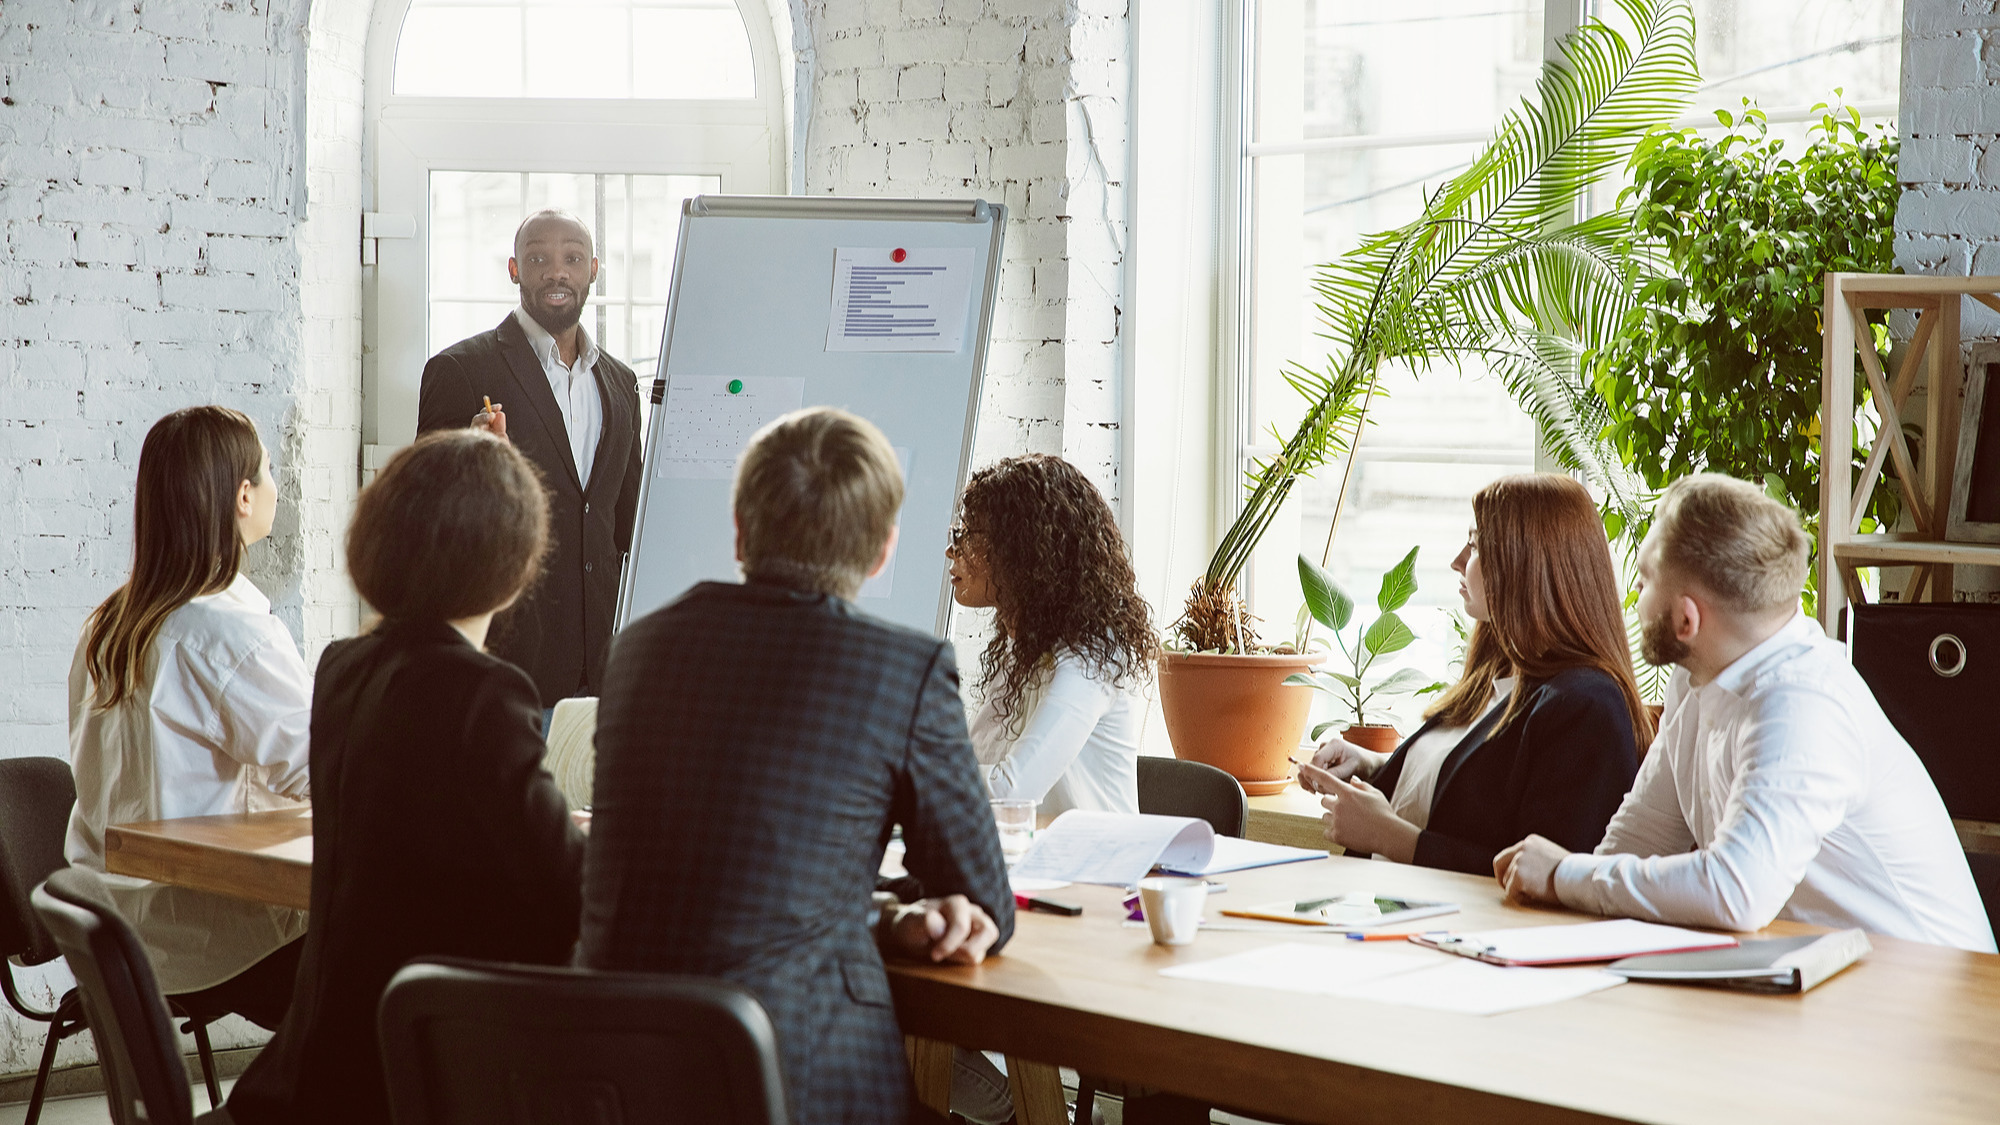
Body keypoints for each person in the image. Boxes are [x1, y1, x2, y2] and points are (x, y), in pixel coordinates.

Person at [580, 406, 1013, 1125]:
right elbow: (983, 899)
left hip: (615, 1079)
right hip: (797, 1079)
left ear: (742, 531)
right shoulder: (904, 668)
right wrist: (891, 913)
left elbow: (713, 883)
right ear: (882, 551)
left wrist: (870, 914)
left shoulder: (638, 649)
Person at [228, 430, 586, 1124]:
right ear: (514, 566)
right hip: (410, 1082)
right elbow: (565, 891)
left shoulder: (343, 667)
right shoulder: (481, 690)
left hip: (315, 1068)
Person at [1495, 474, 1996, 953]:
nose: (1635, 597)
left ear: (1686, 618)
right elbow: (1643, 840)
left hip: (1931, 1010)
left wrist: (1564, 875)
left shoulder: (1803, 704)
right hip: (1818, 986)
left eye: (1646, 581)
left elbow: (1737, 892)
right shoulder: (1699, 676)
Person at [65, 406, 309, 1026]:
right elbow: (322, 769)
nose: (277, 486)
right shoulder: (230, 634)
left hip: (111, 930)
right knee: (403, 956)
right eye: (270, 471)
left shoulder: (108, 624)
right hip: (208, 938)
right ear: (243, 497)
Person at [1299, 473, 1650, 875]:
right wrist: (1375, 766)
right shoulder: (1498, 678)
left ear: (1526, 565)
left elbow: (1552, 879)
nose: (1458, 562)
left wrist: (1389, 835)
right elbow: (1471, 797)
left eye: (1475, 544)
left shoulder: (1589, 707)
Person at [417, 209, 643, 723]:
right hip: (507, 659)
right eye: (538, 258)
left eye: (572, 259)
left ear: (594, 270)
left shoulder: (621, 383)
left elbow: (625, 524)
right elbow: (423, 519)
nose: (556, 271)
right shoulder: (460, 370)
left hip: (605, 670)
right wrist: (471, 458)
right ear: (515, 269)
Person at [949, 454, 1158, 817]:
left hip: (1095, 870)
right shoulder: (1022, 646)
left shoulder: (1091, 659)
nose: (953, 549)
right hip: (1033, 861)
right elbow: (971, 765)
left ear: (1021, 549)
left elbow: (1009, 791)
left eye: (969, 535)